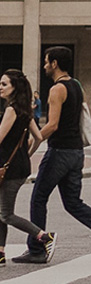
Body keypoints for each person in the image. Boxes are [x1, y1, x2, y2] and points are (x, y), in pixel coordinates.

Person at [17, 46, 91, 265]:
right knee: (73, 202)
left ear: (55, 63)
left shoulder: (57, 89)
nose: (44, 65)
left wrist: (32, 139)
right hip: (77, 152)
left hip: (59, 152)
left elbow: (53, 124)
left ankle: (37, 248)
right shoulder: (77, 85)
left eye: (47, 61)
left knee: (38, 198)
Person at [0, 69, 50, 263]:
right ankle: (1, 252)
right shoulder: (25, 110)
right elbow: (38, 138)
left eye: (4, 84)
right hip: (17, 167)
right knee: (1, 211)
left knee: (6, 214)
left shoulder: (12, 110)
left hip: (8, 168)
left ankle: (44, 237)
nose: (1, 87)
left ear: (14, 88)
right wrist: (26, 155)